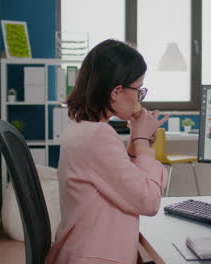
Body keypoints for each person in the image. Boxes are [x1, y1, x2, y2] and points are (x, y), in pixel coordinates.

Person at [45, 39, 169, 264]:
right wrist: (142, 142)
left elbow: (121, 182)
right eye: (138, 90)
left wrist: (136, 140)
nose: (140, 98)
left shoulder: (81, 129)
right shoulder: (98, 136)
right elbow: (149, 200)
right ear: (117, 91)